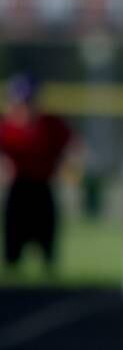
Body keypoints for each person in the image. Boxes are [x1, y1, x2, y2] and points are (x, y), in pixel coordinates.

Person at [0, 73, 79, 272]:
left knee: (47, 248)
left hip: (42, 189)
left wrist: (69, 168)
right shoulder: (6, 127)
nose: (26, 106)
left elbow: (74, 148)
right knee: (13, 250)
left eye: (29, 101)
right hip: (18, 190)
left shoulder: (50, 124)